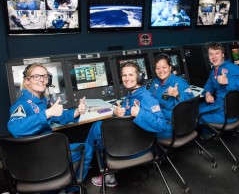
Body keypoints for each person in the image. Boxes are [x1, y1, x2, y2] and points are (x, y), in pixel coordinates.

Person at [7, 63, 92, 193]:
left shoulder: (43, 101)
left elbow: (60, 116)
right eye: (36, 76)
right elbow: (15, 128)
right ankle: (67, 188)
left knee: (86, 148)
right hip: (37, 156)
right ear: (27, 81)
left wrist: (77, 112)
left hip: (45, 153)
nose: (42, 79)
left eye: (45, 76)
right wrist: (47, 113)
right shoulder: (22, 103)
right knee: (86, 149)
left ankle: (63, 188)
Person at [86, 61, 167, 188]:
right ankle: (103, 171)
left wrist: (140, 113)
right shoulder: (130, 97)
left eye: (130, 75)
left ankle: (98, 172)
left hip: (136, 149)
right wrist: (116, 113)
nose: (127, 78)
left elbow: (162, 125)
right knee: (99, 127)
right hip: (133, 145)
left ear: (139, 77)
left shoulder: (147, 98)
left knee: (98, 128)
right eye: (124, 75)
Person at [199, 42, 239, 126]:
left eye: (217, 53)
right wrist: (208, 93)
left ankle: (211, 134)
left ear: (223, 54)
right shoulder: (214, 71)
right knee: (198, 107)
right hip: (222, 107)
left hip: (228, 112)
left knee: (193, 115)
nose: (214, 57)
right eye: (211, 54)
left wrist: (228, 81)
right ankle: (214, 134)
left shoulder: (232, 68)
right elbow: (209, 85)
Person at [149, 53, 194, 138]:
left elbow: (190, 103)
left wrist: (177, 95)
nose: (161, 71)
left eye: (164, 67)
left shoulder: (179, 82)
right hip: (159, 119)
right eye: (157, 68)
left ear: (170, 68)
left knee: (144, 132)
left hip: (173, 125)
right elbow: (148, 97)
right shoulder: (155, 82)